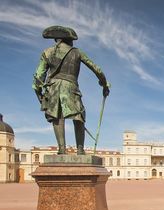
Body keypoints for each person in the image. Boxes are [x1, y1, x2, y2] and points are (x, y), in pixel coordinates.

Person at [32, 25, 110, 155]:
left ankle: (62, 149)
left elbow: (38, 79)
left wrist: (40, 94)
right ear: (67, 40)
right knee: (79, 117)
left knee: (56, 116)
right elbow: (97, 69)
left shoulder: (47, 52)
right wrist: (104, 84)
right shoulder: (77, 52)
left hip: (53, 87)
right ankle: (80, 149)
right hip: (71, 87)